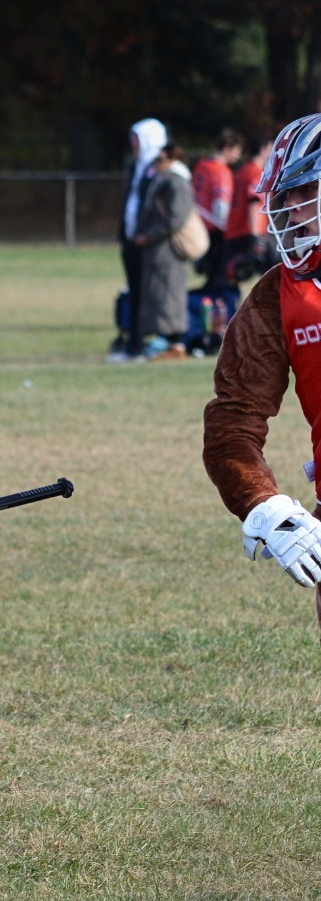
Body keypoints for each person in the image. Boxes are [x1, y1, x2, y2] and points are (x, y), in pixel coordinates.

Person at [203, 113, 321, 628]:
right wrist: (264, 503)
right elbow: (233, 420)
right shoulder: (279, 295)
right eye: (287, 198)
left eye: (308, 192)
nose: (293, 212)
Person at [106, 117, 168, 362]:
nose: (134, 144)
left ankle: (141, 343)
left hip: (148, 244)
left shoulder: (158, 167)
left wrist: (147, 234)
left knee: (146, 295)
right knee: (134, 292)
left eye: (138, 139)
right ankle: (132, 340)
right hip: (131, 240)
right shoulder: (136, 166)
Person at [132, 144, 195, 361]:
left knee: (169, 295)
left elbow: (175, 218)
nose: (156, 164)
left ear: (172, 160)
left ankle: (175, 343)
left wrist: (148, 236)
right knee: (159, 295)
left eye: (160, 159)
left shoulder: (177, 181)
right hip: (158, 250)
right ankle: (164, 341)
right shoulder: (163, 179)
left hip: (169, 249)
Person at [223, 131, 278, 287]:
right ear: (263, 149)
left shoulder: (243, 170)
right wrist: (256, 238)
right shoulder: (256, 171)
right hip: (250, 231)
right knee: (273, 277)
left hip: (235, 230)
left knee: (232, 280)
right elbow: (253, 202)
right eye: (271, 147)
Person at [192, 127, 245, 291]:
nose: (238, 156)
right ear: (227, 148)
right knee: (219, 282)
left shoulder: (201, 165)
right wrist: (229, 230)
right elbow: (221, 205)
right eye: (237, 151)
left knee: (210, 279)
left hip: (199, 227)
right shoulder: (221, 171)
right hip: (216, 232)